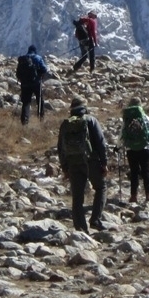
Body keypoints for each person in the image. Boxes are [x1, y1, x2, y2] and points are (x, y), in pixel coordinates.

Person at [56, 96, 109, 231]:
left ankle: (80, 228)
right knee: (101, 188)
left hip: (73, 163)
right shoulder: (91, 120)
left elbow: (61, 147)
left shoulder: (66, 124)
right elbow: (101, 143)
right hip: (91, 161)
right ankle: (95, 220)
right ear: (85, 108)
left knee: (77, 196)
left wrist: (65, 168)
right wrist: (104, 163)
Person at [119, 97, 149, 203]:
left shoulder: (127, 119)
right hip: (145, 148)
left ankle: (133, 196)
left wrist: (117, 146)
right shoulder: (146, 118)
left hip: (131, 149)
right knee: (146, 171)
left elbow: (122, 134)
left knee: (134, 172)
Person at [16, 44, 50, 125]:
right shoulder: (38, 58)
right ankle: (41, 117)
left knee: (26, 102)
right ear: (35, 50)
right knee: (40, 100)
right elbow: (44, 69)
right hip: (36, 83)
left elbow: (18, 73)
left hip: (25, 84)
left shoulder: (23, 59)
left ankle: (24, 121)